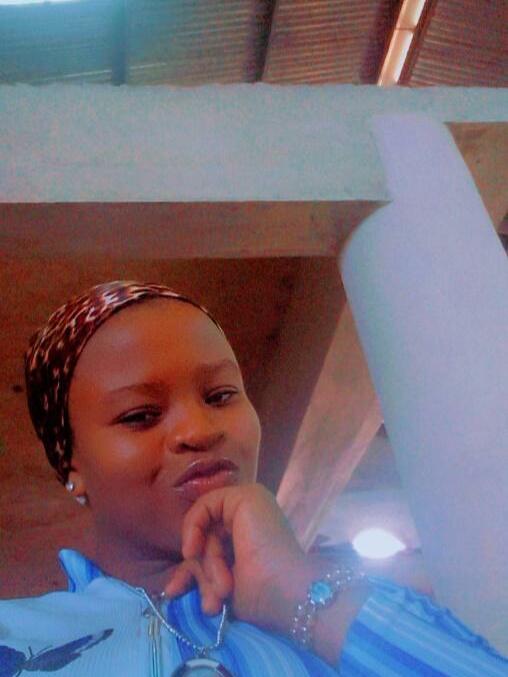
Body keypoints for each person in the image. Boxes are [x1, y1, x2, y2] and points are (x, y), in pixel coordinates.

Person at [1, 280, 506, 677]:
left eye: (221, 396)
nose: (200, 431)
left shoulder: (356, 622)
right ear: (71, 465)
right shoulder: (17, 638)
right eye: (140, 415)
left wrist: (306, 598)